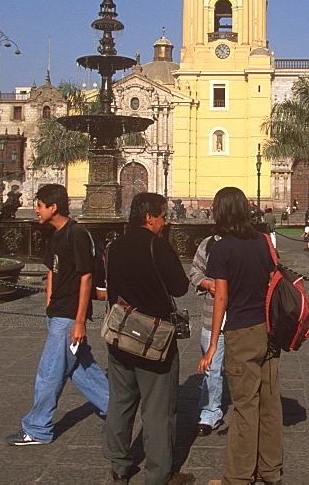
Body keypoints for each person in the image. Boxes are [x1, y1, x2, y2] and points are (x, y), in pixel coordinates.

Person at [5, 184, 110, 447]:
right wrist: (49, 302)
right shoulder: (56, 235)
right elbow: (51, 269)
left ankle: (37, 427)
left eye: (39, 205)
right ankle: (116, 408)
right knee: (83, 369)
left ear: (53, 207)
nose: (35, 210)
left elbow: (86, 276)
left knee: (50, 372)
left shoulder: (77, 234)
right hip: (58, 313)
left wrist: (79, 321)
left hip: (69, 317)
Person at [104, 192, 193, 484]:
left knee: (120, 402)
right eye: (163, 216)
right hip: (154, 339)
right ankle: (158, 473)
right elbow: (180, 287)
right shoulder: (158, 247)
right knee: (157, 409)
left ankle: (119, 465)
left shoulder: (114, 246)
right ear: (150, 217)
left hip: (120, 334)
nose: (165, 223)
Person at [199, 186, 282, 485]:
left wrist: (211, 346)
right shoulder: (262, 241)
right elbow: (273, 280)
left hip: (241, 332)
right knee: (269, 404)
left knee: (245, 407)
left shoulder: (222, 248)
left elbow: (221, 298)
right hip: (268, 330)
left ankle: (237, 477)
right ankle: (271, 470)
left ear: (221, 211)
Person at [188, 234, 226, 438]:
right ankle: (210, 411)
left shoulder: (250, 242)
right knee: (211, 366)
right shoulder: (209, 243)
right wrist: (207, 284)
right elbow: (194, 272)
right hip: (212, 314)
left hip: (242, 315)